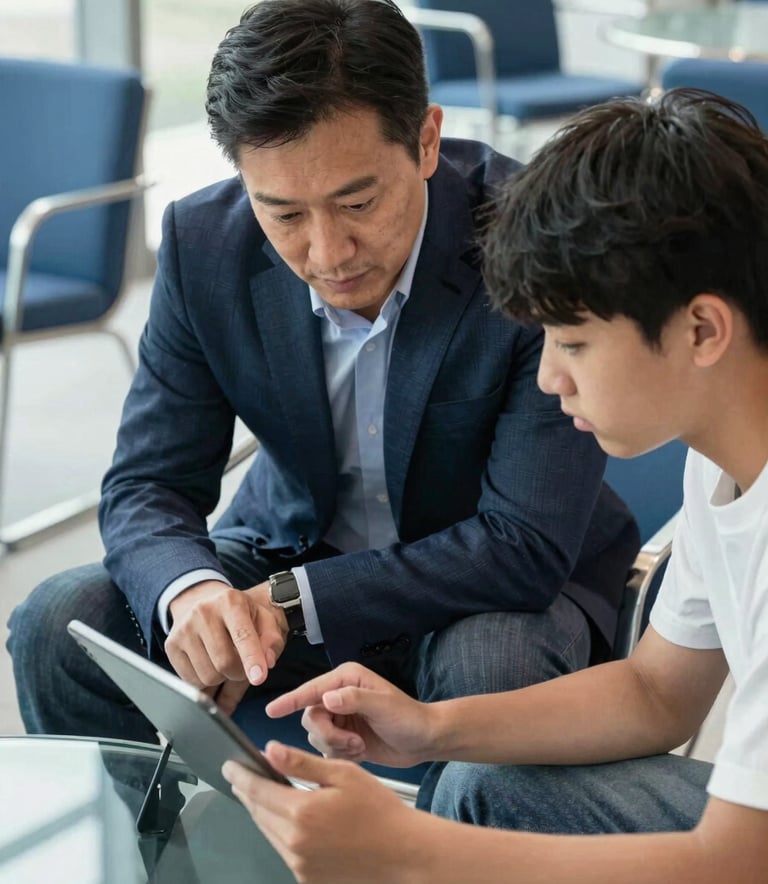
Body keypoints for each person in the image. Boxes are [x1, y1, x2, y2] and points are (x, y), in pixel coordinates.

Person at [6, 0, 636, 809]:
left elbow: (520, 544)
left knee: (492, 676)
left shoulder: (526, 237)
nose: (326, 253)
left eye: (358, 203)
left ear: (428, 141)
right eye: (284, 214)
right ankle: (173, 857)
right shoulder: (205, 245)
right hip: (287, 552)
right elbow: (146, 485)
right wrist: (195, 595)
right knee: (63, 625)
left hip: (493, 588)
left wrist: (292, 606)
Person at [220, 88, 768, 883]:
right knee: (482, 780)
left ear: (703, 329)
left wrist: (406, 850)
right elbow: (658, 695)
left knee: (463, 823)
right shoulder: (721, 459)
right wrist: (431, 728)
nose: (549, 378)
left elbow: (740, 862)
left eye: (574, 343)